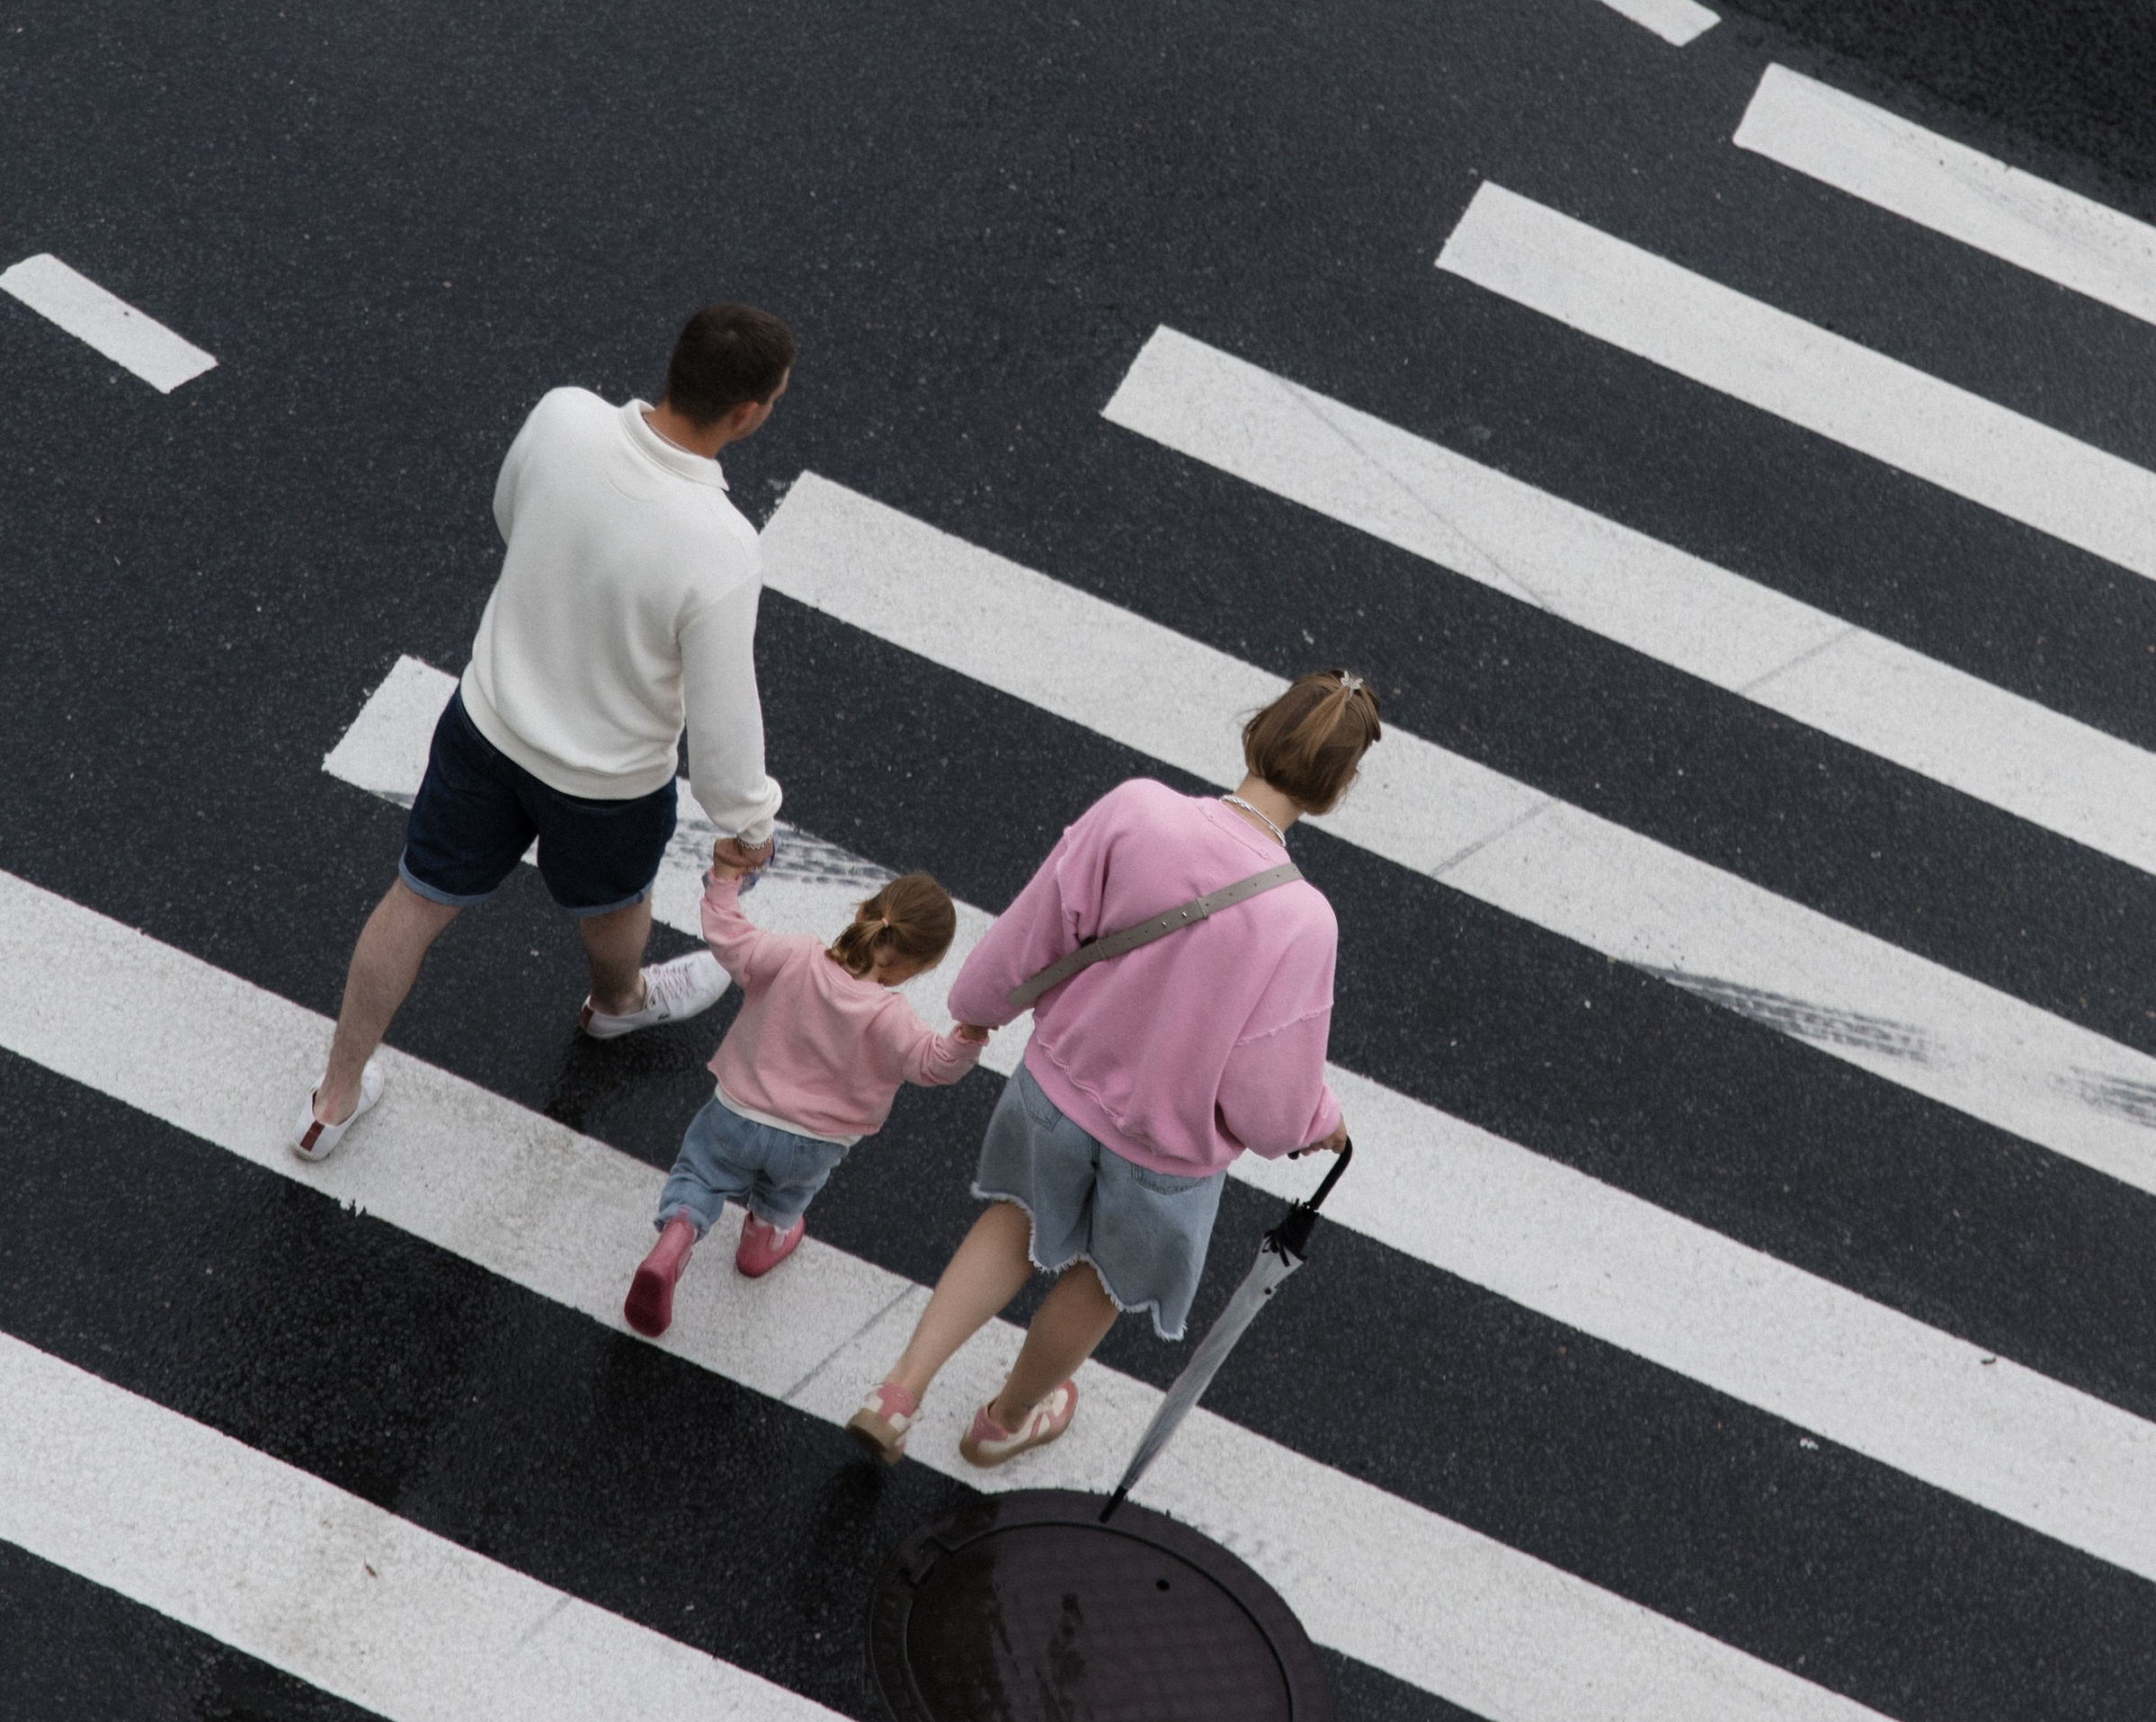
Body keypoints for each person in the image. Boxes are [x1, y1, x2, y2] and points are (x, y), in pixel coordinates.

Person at [295, 302, 796, 1159]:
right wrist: (750, 823)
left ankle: (331, 1102)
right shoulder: (722, 547)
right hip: (607, 784)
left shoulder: (564, 415)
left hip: (486, 722)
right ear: (747, 413)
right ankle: (616, 1006)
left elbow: (507, 512)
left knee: (415, 900)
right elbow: (722, 729)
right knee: (613, 904)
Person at [845, 667, 1375, 1470]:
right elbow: (1268, 1096)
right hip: (1167, 1156)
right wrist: (1316, 1124)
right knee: (1099, 1280)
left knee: (1015, 1222)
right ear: (1337, 789)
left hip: (1058, 1084)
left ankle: (899, 1390)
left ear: (1257, 729)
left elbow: (1038, 928)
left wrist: (977, 1005)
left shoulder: (1136, 811)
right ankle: (1007, 1420)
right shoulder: (1304, 921)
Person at [624, 866, 988, 1334]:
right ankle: (763, 1240)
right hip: (813, 1143)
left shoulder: (795, 954)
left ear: (863, 912)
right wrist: (969, 1037)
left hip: (737, 1113)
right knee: (785, 1195)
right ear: (919, 968)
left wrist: (725, 881)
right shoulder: (892, 1017)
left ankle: (679, 1232)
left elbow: (729, 938)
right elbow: (936, 1064)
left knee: (700, 1174)